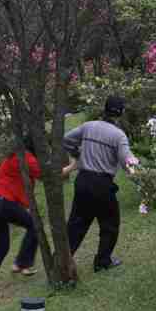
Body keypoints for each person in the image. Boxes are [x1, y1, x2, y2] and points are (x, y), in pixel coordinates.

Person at [64, 95, 133, 272]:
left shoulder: (89, 126)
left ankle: (63, 260)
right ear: (121, 113)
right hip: (102, 184)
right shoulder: (119, 136)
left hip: (83, 180)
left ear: (105, 109)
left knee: (76, 223)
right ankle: (103, 261)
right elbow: (127, 162)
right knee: (110, 223)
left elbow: (67, 139)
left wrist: (77, 154)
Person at [0, 139, 41, 294]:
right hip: (4, 202)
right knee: (35, 225)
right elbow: (48, 174)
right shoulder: (27, 158)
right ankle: (22, 263)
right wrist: (74, 166)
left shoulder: (12, 156)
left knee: (0, 246)